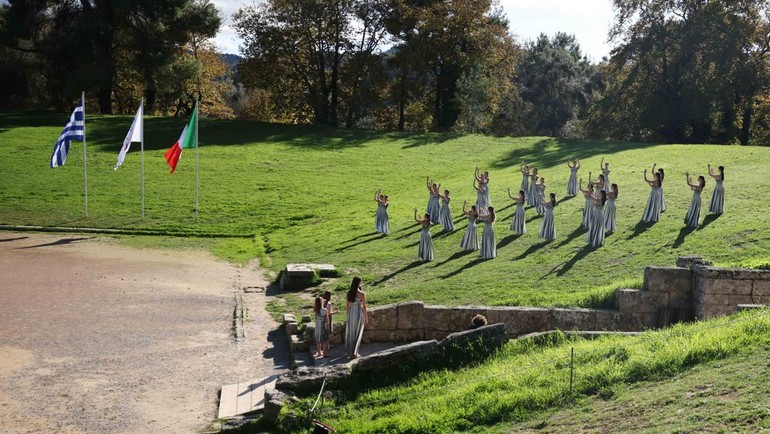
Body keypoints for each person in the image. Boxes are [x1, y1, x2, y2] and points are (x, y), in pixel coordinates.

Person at [345, 277, 367, 359]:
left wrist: (348, 316)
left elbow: (347, 307)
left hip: (351, 313)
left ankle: (351, 353)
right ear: (358, 283)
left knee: (351, 333)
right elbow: (364, 307)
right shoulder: (362, 294)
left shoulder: (349, 293)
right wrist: (366, 317)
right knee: (358, 333)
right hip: (358, 313)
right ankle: (355, 353)